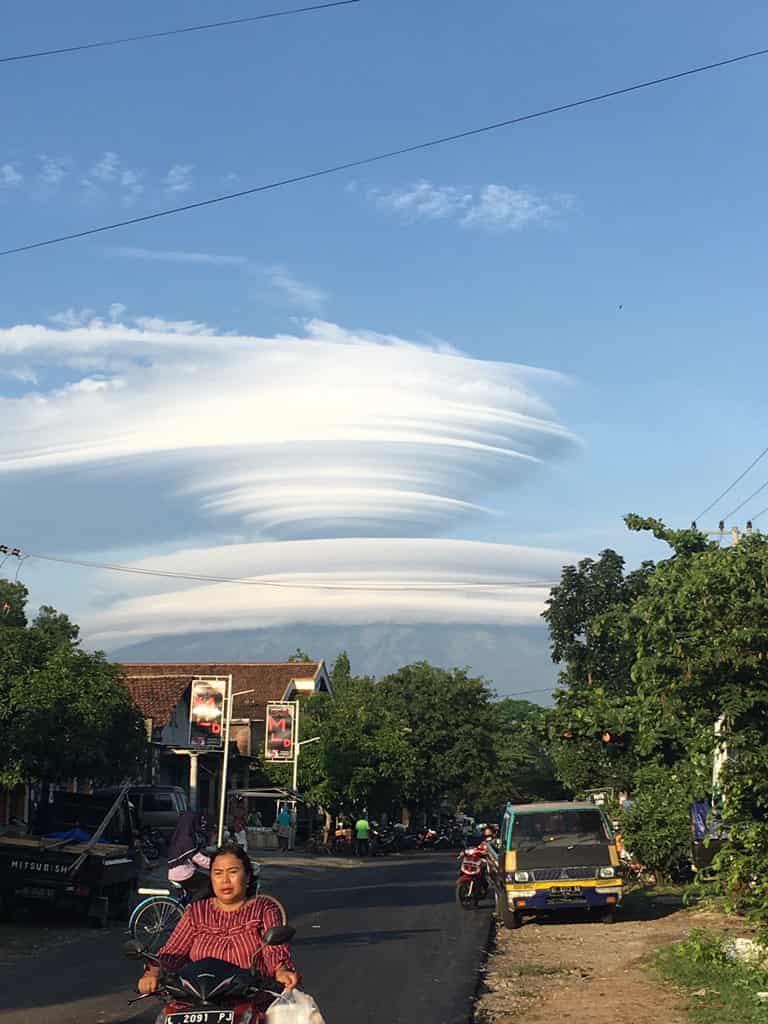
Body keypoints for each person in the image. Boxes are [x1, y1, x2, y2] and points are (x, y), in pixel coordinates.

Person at [138, 843, 300, 996]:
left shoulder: (263, 909)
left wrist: (282, 971)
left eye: (233, 872)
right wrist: (152, 973)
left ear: (248, 876)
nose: (225, 880)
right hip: (198, 999)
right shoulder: (197, 912)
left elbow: (274, 953)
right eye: (218, 873)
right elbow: (172, 952)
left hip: (248, 997)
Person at [167, 811, 211, 901]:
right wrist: (214, 863)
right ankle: (191, 905)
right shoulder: (186, 838)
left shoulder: (180, 835)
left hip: (176, 871)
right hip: (182, 873)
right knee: (209, 883)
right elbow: (197, 858)